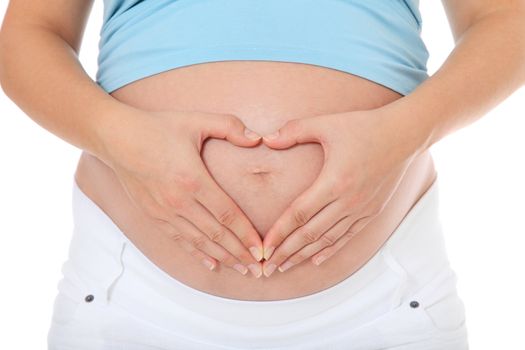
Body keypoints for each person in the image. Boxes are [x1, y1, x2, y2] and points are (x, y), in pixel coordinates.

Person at [0, 0, 524, 349]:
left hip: (379, 302)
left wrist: (404, 132)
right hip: (134, 295)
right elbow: (29, 33)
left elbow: (507, 20)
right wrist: (118, 136)